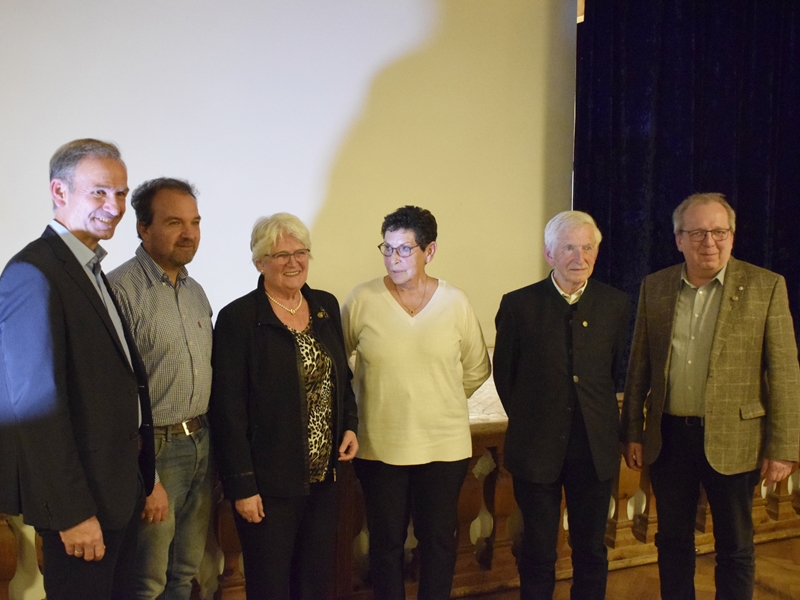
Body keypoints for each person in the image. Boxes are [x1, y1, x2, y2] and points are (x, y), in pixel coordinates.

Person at [621, 193, 800, 600]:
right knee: (672, 541)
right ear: (678, 238)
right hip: (669, 439)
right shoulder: (657, 287)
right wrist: (632, 429)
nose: (709, 242)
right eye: (698, 232)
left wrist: (784, 447)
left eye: (720, 232)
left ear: (732, 237)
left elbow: (786, 375)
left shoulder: (766, 287)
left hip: (737, 440)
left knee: (735, 547)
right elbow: (639, 368)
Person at [0, 139, 155, 600]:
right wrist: (71, 514)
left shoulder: (88, 267)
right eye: (100, 193)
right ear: (59, 192)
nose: (115, 206)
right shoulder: (33, 273)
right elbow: (36, 412)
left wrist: (146, 479)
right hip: (81, 507)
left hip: (117, 494)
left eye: (122, 194)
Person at [342, 205, 491, 600]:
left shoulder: (455, 302)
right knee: (386, 544)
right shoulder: (363, 300)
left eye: (405, 249)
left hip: (443, 447)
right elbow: (337, 362)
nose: (395, 259)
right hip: (379, 447)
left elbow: (477, 367)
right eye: (388, 249)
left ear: (430, 251)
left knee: (439, 542)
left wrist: (436, 399)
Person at [209, 213, 358, 600]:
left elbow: (341, 377)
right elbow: (228, 410)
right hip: (269, 485)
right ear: (259, 262)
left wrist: (350, 425)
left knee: (315, 582)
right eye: (281, 255)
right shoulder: (238, 319)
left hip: (324, 480)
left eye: (301, 252)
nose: (294, 262)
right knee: (271, 585)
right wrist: (242, 486)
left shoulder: (324, 306)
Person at [493, 210, 630, 600]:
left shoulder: (615, 304)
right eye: (569, 247)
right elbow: (506, 378)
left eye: (587, 247)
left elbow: (612, 370)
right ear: (549, 253)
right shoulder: (518, 306)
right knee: (537, 551)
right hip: (536, 448)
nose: (579, 257)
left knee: (590, 549)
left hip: (594, 449)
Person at [108, 178, 213, 600]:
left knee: (185, 571)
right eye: (174, 222)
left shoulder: (195, 292)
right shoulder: (120, 291)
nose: (189, 233)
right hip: (155, 452)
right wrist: (146, 474)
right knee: (146, 579)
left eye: (195, 222)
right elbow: (115, 396)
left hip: (201, 443)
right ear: (142, 227)